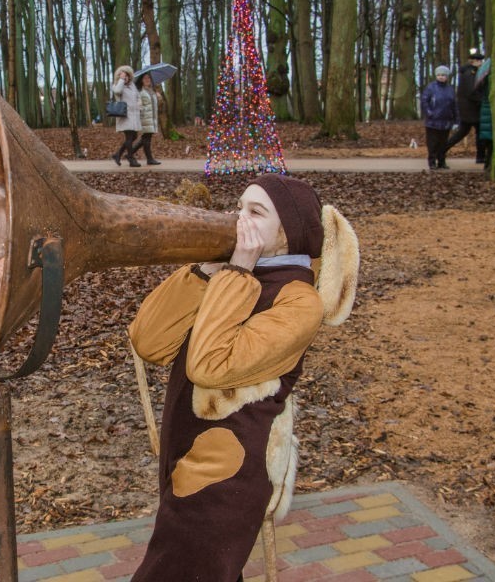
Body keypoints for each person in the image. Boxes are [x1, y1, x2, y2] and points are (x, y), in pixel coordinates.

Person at [128, 174, 359, 582]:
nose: (238, 219)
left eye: (255, 212)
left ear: (287, 234)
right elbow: (148, 342)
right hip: (185, 461)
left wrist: (235, 274)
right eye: (239, 207)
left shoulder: (299, 302)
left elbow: (210, 367)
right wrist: (204, 272)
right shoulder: (228, 276)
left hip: (228, 477)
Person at [446, 49, 486, 163]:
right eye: (479, 61)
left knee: (468, 132)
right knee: (466, 132)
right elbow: (471, 92)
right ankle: (441, 150)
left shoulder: (470, 73)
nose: (480, 63)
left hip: (470, 109)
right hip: (471, 109)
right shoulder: (470, 74)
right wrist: (482, 100)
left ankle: (481, 156)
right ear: (473, 62)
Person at [421, 65, 458, 170]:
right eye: (439, 75)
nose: (441, 77)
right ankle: (432, 162)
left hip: (446, 121)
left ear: (447, 76)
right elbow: (424, 101)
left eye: (443, 75)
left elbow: (454, 105)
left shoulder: (450, 89)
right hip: (432, 121)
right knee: (432, 143)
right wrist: (429, 113)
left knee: (443, 143)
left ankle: (442, 161)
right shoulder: (430, 87)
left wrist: (456, 120)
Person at [111, 65, 142, 167]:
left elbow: (138, 96)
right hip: (125, 115)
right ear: (119, 76)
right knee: (129, 137)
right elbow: (117, 91)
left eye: (127, 75)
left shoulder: (132, 86)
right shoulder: (117, 85)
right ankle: (131, 158)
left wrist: (139, 103)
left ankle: (118, 154)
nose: (126, 77)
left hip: (134, 116)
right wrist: (121, 80)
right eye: (124, 75)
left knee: (134, 136)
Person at [131, 73, 161, 165]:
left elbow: (156, 106)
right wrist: (146, 109)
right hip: (145, 118)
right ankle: (149, 159)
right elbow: (139, 106)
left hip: (152, 118)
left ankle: (129, 153)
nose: (147, 79)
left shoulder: (152, 92)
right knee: (146, 139)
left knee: (145, 139)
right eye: (145, 78)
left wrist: (158, 98)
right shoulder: (140, 92)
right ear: (141, 80)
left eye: (149, 78)